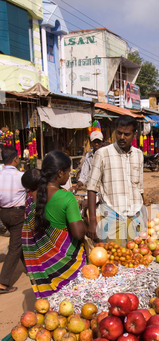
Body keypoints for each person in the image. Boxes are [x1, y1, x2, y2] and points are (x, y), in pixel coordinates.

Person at [22, 151, 86, 299]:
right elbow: (78, 234)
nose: (69, 176)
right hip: (68, 265)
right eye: (68, 172)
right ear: (60, 173)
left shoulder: (32, 196)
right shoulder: (66, 197)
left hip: (46, 267)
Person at [86, 115, 146, 247]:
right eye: (119, 133)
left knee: (135, 257)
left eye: (126, 134)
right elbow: (91, 188)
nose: (122, 137)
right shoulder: (102, 154)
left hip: (135, 215)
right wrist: (92, 221)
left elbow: (139, 187)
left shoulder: (138, 154)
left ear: (134, 134)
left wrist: (144, 215)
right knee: (116, 259)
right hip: (112, 215)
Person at [0, 147, 27, 294]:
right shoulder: (20, 176)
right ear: (15, 159)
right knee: (15, 247)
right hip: (17, 214)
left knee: (19, 240)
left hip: (4, 213)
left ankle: (30, 268)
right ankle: (3, 282)